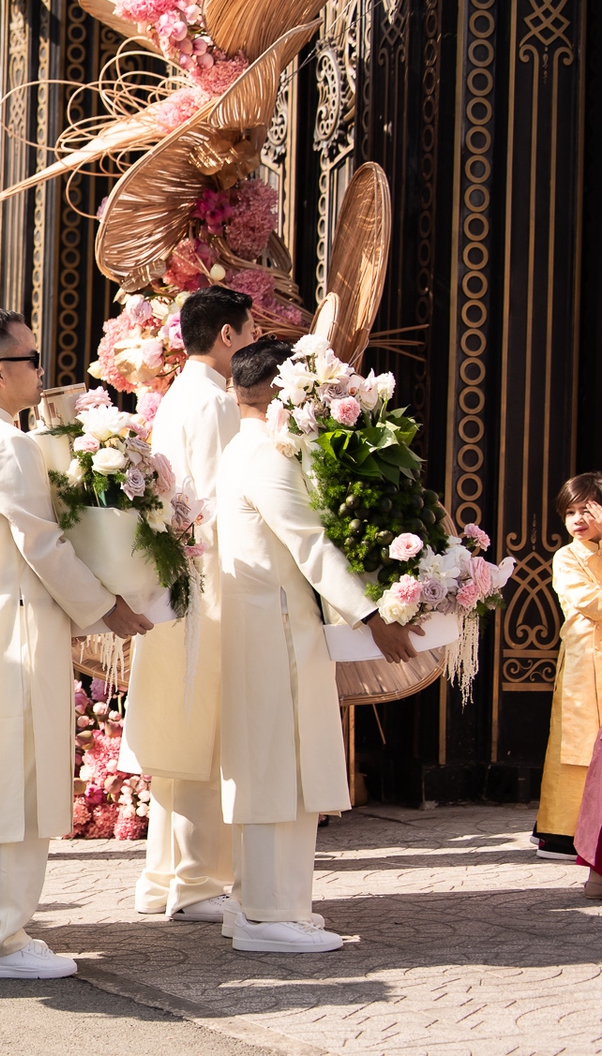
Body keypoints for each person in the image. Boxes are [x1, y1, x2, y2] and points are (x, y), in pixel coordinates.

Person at [0, 310, 152, 979]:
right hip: (12, 631)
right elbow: (44, 544)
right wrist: (107, 605)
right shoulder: (5, 443)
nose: (40, 370)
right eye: (31, 358)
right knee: (14, 786)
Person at [216, 338, 412, 952]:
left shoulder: (241, 450)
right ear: (283, 392)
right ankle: (267, 914)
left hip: (269, 620)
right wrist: (373, 611)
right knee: (279, 762)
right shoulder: (267, 457)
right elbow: (310, 543)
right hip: (273, 622)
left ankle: (266, 904)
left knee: (276, 760)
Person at [119, 286, 257, 922]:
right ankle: (196, 881)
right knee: (200, 733)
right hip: (209, 581)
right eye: (250, 329)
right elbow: (220, 503)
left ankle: (164, 876)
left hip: (183, 579)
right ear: (226, 335)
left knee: (182, 733)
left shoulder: (182, 395)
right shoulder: (212, 403)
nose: (254, 341)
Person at [536, 473, 602, 858]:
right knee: (577, 746)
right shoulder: (567, 556)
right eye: (571, 512)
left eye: (588, 510)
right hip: (583, 662)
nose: (578, 519)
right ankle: (563, 831)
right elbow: (591, 603)